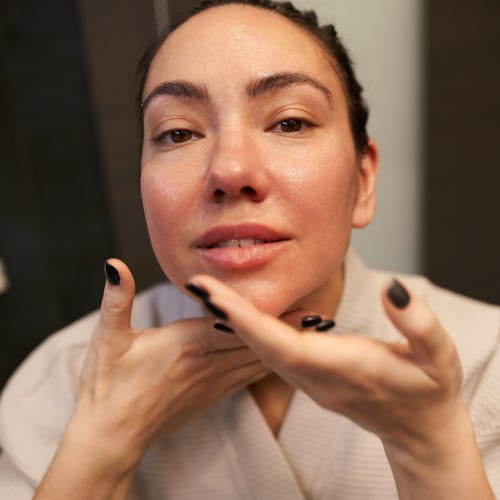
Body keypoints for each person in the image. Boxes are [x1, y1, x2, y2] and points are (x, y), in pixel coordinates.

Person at [1, 0, 499, 498]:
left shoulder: (486, 364)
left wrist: (430, 446)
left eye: (290, 122)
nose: (231, 171)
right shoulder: (61, 384)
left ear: (363, 182)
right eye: (178, 133)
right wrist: (102, 445)